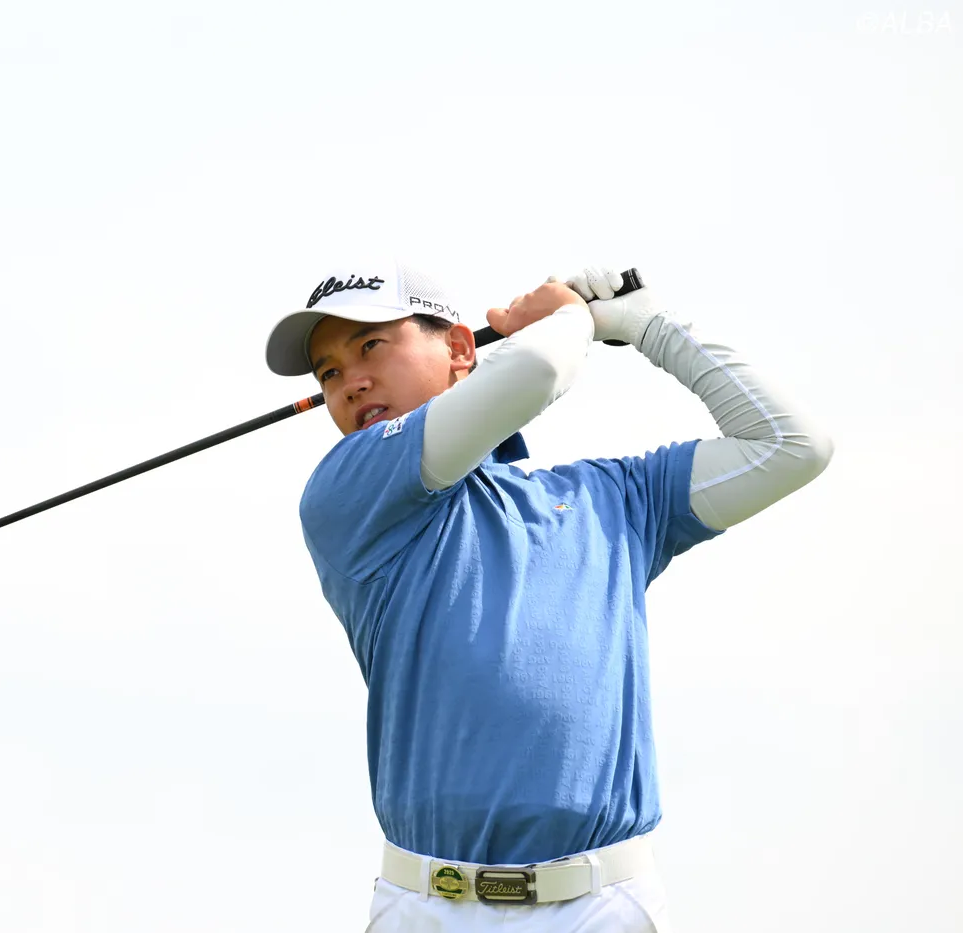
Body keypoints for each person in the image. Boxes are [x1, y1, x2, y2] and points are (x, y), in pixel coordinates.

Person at [264, 260, 833, 932]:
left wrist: (650, 326)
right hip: (427, 906)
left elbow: (792, 446)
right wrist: (570, 317)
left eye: (370, 345)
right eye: (328, 372)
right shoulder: (346, 492)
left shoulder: (615, 497)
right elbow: (537, 369)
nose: (351, 381)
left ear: (459, 349)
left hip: (601, 904)